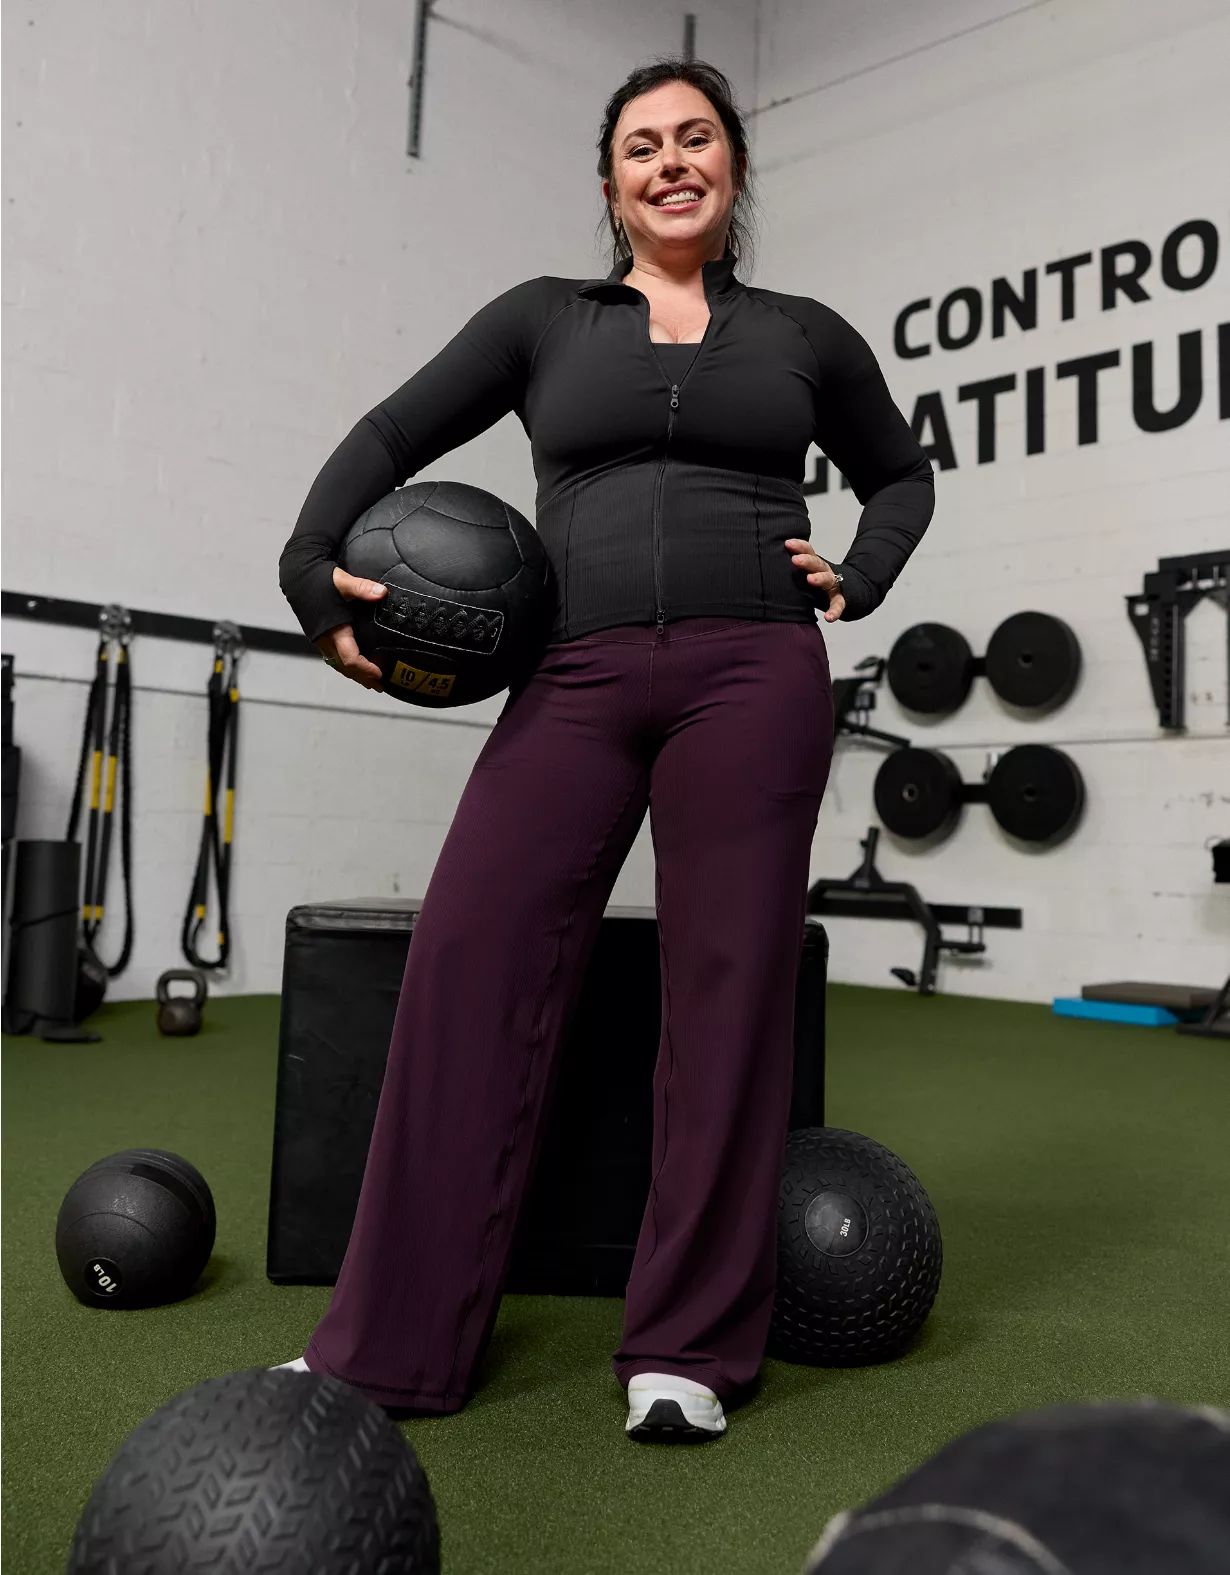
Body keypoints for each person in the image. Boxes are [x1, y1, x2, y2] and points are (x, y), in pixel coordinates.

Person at [275, 58, 934, 1443]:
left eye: (694, 138)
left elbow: (901, 472)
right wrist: (306, 561)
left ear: (732, 165)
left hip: (754, 674)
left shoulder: (804, 335)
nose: (669, 161)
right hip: (571, 672)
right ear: (610, 183)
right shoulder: (542, 319)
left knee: (729, 995)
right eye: (642, 146)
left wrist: (861, 574)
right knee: (470, 960)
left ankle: (686, 1348)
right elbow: (392, 430)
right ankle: (390, 1344)